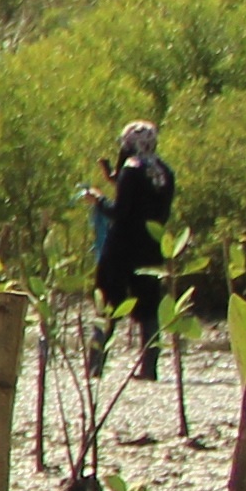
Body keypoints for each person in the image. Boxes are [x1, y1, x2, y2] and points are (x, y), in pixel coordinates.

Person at [89, 120, 177, 378]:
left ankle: (95, 367)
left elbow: (120, 212)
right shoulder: (164, 172)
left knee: (107, 304)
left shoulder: (131, 169)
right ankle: (150, 368)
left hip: (121, 248)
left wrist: (98, 199)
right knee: (149, 309)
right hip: (150, 247)